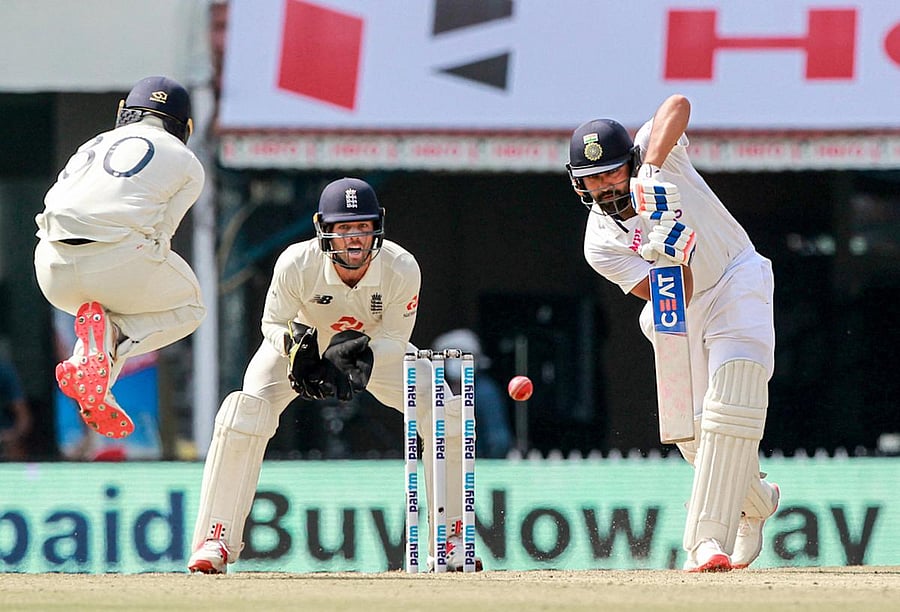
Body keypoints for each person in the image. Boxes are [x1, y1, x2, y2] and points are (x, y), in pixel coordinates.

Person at [188, 177, 482, 574]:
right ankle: (214, 538)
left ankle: (450, 541)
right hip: (301, 345)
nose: (355, 240)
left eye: (362, 227)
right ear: (324, 230)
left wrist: (357, 357)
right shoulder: (297, 262)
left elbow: (397, 337)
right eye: (344, 229)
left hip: (372, 349)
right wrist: (296, 348)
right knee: (244, 412)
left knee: (445, 409)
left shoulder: (401, 266)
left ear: (377, 226)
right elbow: (271, 323)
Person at [566, 94, 779, 572]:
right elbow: (670, 297)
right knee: (693, 430)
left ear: (632, 160)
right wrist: (670, 252)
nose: (604, 185)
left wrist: (654, 173)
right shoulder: (599, 243)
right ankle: (757, 503)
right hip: (682, 304)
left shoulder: (653, 152)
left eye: (613, 172)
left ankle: (706, 542)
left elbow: (677, 103)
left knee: (733, 400)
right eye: (592, 178)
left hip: (734, 276)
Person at [34, 75, 206, 439]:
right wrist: (124, 315)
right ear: (186, 127)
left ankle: (97, 372)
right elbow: (160, 238)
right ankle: (106, 343)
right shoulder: (186, 161)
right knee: (190, 308)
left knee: (110, 314)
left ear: (123, 113)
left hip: (51, 270)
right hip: (118, 260)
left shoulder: (91, 144)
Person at [432, 328, 513, 459]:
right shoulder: (436, 390)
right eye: (448, 357)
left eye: (461, 355)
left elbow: (499, 440)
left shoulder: (485, 392)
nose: (454, 362)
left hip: (478, 464)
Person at [0, 346, 33, 461]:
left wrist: (10, 437)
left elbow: (24, 419)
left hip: (5, 437)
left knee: (14, 449)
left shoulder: (4, 370)